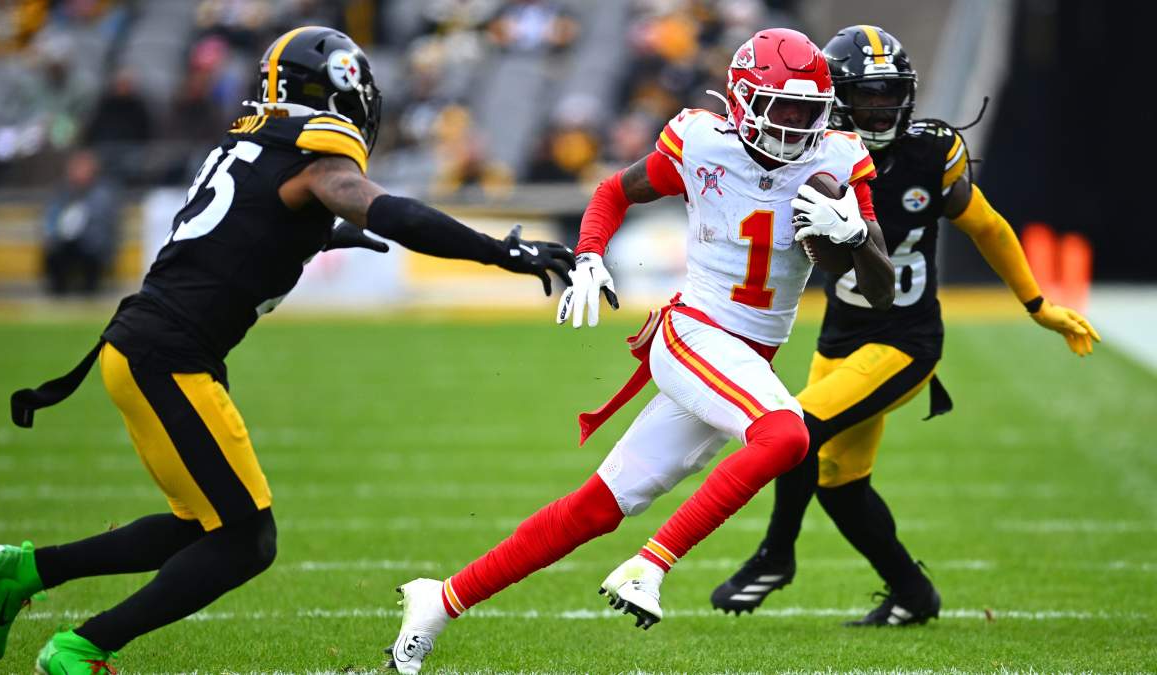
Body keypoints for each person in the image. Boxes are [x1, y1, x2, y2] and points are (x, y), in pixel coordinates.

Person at [0, 26, 574, 674]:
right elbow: (390, 211)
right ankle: (81, 648)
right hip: (167, 357)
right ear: (339, 92)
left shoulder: (252, 142)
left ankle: (24, 571)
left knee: (203, 524)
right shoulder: (316, 152)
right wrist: (501, 251)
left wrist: (318, 234)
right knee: (246, 541)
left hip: (145, 348)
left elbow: (244, 224)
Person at [386, 28, 895, 674]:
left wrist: (855, 236)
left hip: (742, 362)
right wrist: (589, 253)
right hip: (694, 334)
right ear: (743, 102)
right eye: (782, 108)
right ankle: (650, 564)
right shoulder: (703, 142)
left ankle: (440, 599)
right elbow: (612, 192)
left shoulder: (840, 160)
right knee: (786, 435)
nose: (795, 126)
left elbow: (879, 291)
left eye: (807, 111)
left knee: (597, 507)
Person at [709, 25, 1101, 626]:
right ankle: (914, 595)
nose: (880, 107)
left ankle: (774, 557)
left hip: (904, 340)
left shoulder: (928, 154)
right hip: (840, 337)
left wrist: (1036, 304)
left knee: (795, 429)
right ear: (836, 100)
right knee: (839, 483)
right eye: (866, 95)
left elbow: (988, 226)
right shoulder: (815, 153)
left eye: (890, 93)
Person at [41, 150, 121, 295]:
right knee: (55, 255)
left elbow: (105, 227)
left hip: (92, 246)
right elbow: (51, 219)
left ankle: (89, 291)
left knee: (90, 256)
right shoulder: (61, 192)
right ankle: (58, 293)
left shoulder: (104, 194)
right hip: (65, 244)